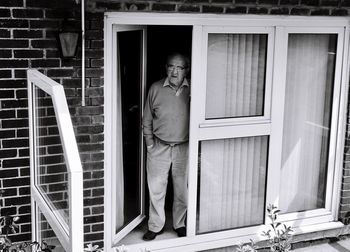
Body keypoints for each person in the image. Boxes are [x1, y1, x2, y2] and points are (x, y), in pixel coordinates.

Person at [142, 53, 190, 241]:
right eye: (171, 66)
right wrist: (149, 143)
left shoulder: (193, 88)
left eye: (179, 67)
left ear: (186, 70)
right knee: (156, 188)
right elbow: (146, 118)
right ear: (166, 68)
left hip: (184, 147)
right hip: (159, 145)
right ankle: (156, 226)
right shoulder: (155, 88)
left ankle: (180, 224)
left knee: (182, 189)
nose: (174, 71)